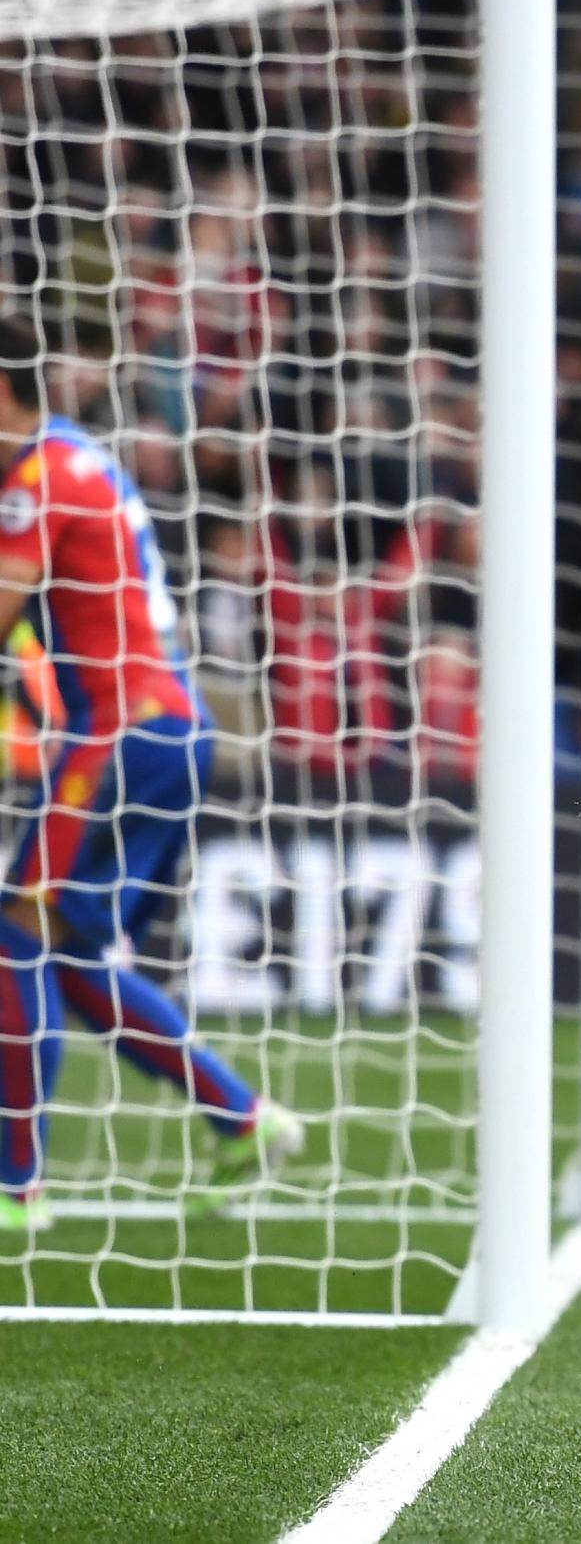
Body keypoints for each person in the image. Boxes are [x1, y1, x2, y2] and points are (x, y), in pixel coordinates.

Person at [0, 314, 303, 1230]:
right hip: (173, 728)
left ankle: (15, 1187)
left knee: (16, 931)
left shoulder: (34, 480)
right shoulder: (78, 456)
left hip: (118, 731)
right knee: (72, 953)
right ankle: (243, 1115)